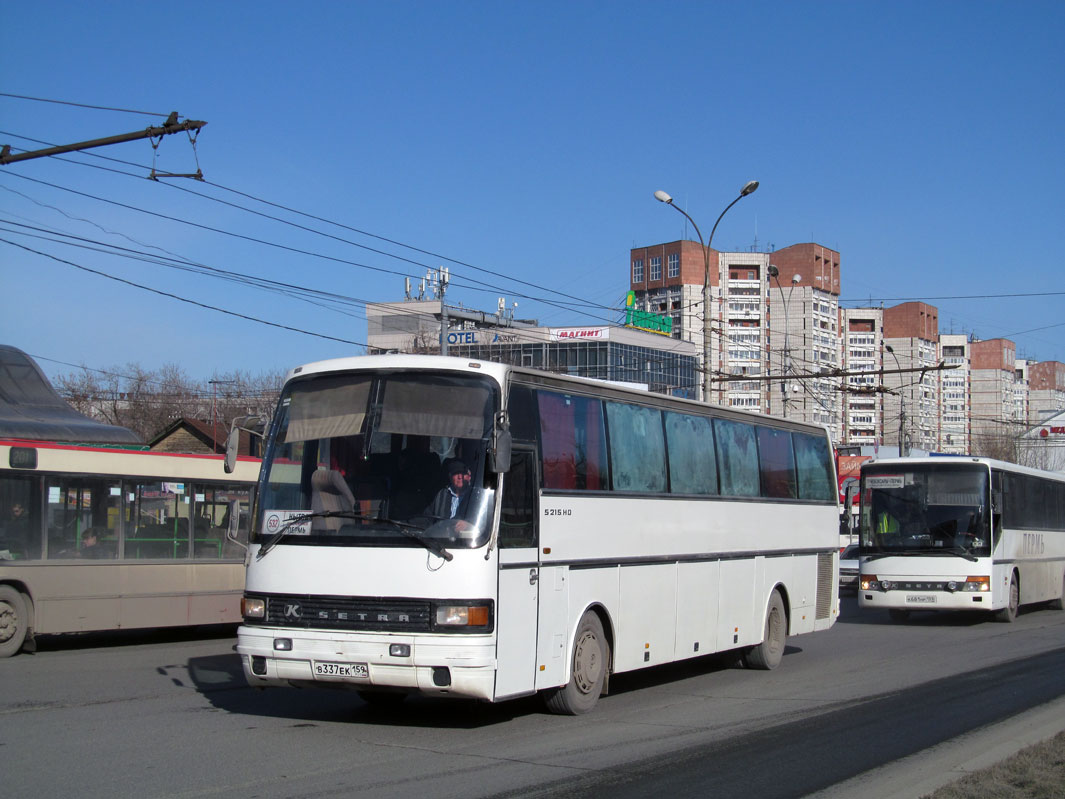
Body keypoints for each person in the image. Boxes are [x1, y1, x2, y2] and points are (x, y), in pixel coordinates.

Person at [424, 459, 473, 529]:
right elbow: (427, 518)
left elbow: (483, 521)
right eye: (456, 473)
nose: (460, 477)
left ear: (469, 477)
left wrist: (468, 524)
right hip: (440, 537)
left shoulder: (475, 496)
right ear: (450, 477)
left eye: (463, 473)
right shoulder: (441, 495)